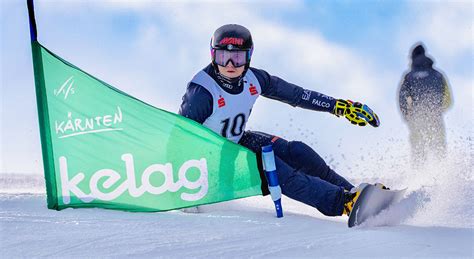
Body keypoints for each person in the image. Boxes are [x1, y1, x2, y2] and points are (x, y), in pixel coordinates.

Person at [179, 24, 381, 217]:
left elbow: (296, 95)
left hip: (237, 143)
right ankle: (343, 203)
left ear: (249, 57)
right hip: (215, 163)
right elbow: (180, 135)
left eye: (238, 58)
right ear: (213, 56)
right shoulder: (202, 91)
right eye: (223, 57)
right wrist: (185, 187)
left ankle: (355, 193)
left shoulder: (254, 78)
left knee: (298, 152)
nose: (230, 65)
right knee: (277, 169)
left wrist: (337, 106)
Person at [398, 43, 452, 165]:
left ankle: (419, 179)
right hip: (435, 118)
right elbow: (448, 99)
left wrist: (407, 115)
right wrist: (438, 110)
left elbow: (402, 98)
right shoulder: (438, 75)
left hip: (417, 119)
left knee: (419, 152)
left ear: (412, 57)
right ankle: (444, 178)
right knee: (439, 151)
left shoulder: (408, 76)